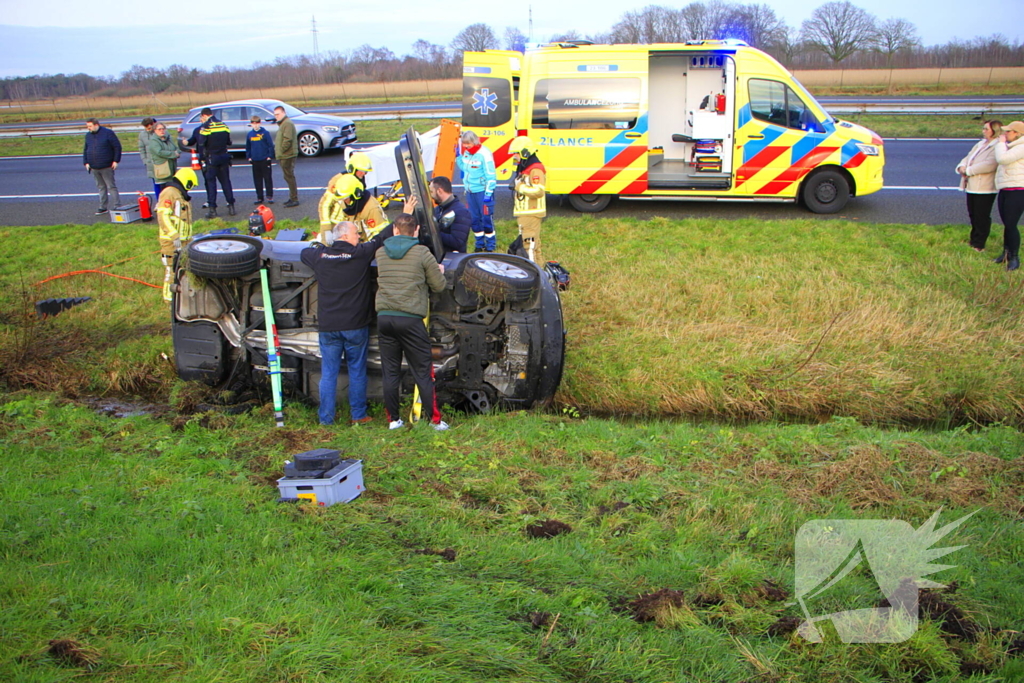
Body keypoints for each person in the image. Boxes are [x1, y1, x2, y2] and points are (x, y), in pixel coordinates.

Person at [300, 220, 395, 426]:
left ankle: (326, 418)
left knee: (329, 373)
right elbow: (381, 238)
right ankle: (358, 415)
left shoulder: (321, 257)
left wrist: (321, 246)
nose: (359, 237)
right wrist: (403, 214)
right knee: (357, 370)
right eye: (355, 234)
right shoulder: (359, 253)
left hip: (329, 327)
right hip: (355, 325)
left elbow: (304, 253)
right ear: (344, 237)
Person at [375, 213, 448, 431]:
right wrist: (436, 270)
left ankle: (393, 420)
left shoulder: (381, 253)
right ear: (415, 231)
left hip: (385, 318)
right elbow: (439, 286)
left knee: (390, 371)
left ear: (395, 230)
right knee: (423, 372)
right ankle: (434, 421)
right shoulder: (422, 253)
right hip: (410, 320)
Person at [956, 120, 1001, 251]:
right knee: (973, 214)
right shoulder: (980, 143)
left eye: (986, 129)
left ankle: (979, 243)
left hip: (985, 187)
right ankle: (973, 239)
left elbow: (990, 164)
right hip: (972, 184)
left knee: (982, 215)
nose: (983, 131)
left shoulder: (997, 146)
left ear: (994, 130)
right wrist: (962, 166)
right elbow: (968, 157)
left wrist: (968, 170)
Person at [183, 107, 235, 219]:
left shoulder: (205, 127)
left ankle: (212, 209)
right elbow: (228, 141)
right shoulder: (223, 125)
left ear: (204, 116)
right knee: (226, 182)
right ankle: (231, 206)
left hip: (211, 159)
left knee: (211, 184)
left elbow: (202, 143)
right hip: (224, 157)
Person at [156, 168, 199, 302]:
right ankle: (169, 299)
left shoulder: (179, 195)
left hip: (184, 241)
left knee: (184, 268)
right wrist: (174, 235)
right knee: (171, 269)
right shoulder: (169, 193)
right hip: (171, 242)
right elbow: (163, 216)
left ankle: (182, 293)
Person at [402, 175, 471, 254]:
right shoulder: (438, 209)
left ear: (439, 191)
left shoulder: (461, 212)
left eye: (431, 192)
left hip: (451, 260)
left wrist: (432, 232)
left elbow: (457, 242)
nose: (431, 196)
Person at [455, 130, 497, 252]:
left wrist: (488, 193)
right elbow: (465, 168)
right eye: (464, 144)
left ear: (474, 141)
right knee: (474, 219)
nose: (466, 146)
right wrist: (459, 158)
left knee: (486, 219)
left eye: (468, 143)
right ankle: (479, 244)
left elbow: (491, 175)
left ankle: (490, 246)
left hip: (482, 192)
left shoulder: (485, 154)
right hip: (470, 192)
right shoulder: (467, 154)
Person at [509, 136, 547, 265]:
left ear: (525, 153)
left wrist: (519, 187)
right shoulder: (526, 168)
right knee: (534, 246)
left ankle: (534, 276)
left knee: (529, 246)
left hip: (531, 213)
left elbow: (539, 191)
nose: (514, 156)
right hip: (525, 213)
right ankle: (542, 274)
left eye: (516, 153)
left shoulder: (535, 169)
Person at [318, 173, 389, 241]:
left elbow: (379, 238)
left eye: (346, 198)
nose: (344, 201)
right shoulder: (350, 203)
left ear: (356, 194)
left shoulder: (371, 209)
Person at [994, 120, 1024, 272]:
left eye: (1009, 132)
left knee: (1011, 225)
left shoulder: (1021, 147)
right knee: (1007, 224)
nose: (1005, 134)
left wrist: (1000, 144)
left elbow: (1003, 159)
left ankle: (1014, 257)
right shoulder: (1010, 146)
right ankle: (1005, 253)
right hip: (1005, 188)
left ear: (1018, 134)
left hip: (1018, 190)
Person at [83, 118, 122, 216]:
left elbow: (117, 147)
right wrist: (86, 162)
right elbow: (86, 149)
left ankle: (117, 205)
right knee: (101, 187)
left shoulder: (108, 133)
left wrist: (116, 160)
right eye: (87, 126)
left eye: (90, 126)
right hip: (94, 166)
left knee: (111, 186)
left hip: (106, 165)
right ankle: (103, 207)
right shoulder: (88, 136)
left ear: (96, 125)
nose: (88, 128)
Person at [246, 114, 275, 205]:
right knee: (257, 179)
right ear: (251, 124)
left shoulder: (265, 133)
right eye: (253, 123)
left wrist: (269, 156)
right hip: (255, 160)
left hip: (264, 159)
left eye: (257, 123)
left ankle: (269, 196)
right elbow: (248, 147)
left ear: (260, 123)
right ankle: (259, 197)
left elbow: (270, 145)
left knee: (267, 178)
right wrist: (249, 156)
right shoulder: (250, 134)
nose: (255, 125)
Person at [274, 105, 299, 207]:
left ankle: (294, 199)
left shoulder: (287, 124)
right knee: (288, 176)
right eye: (275, 115)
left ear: (283, 113)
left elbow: (287, 139)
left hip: (287, 155)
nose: (276, 116)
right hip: (285, 155)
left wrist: (282, 150)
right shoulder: (283, 124)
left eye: (278, 114)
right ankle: (292, 197)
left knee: (289, 177)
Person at [147, 122, 179, 195]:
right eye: (159, 129)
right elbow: (159, 152)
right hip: (162, 169)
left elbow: (176, 148)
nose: (162, 131)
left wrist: (177, 152)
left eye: (163, 129)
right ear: (155, 130)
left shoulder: (168, 138)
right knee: (163, 191)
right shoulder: (153, 141)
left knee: (172, 190)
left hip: (172, 168)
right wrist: (173, 154)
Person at [138, 117, 160, 200]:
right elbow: (141, 148)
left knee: (165, 183)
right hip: (150, 163)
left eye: (149, 128)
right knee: (156, 183)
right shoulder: (142, 135)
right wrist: (145, 160)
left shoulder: (158, 132)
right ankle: (159, 201)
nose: (148, 129)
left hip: (161, 162)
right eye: (146, 128)